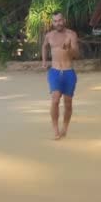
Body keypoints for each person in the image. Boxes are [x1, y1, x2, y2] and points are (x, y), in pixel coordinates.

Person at [42, 12, 79, 140]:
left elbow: (76, 54)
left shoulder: (71, 34)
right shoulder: (49, 36)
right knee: (55, 99)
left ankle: (65, 127)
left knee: (68, 103)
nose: (58, 23)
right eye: (55, 21)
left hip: (69, 71)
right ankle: (56, 130)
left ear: (64, 20)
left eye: (60, 20)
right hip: (55, 71)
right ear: (52, 23)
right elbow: (44, 47)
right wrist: (44, 61)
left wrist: (69, 48)